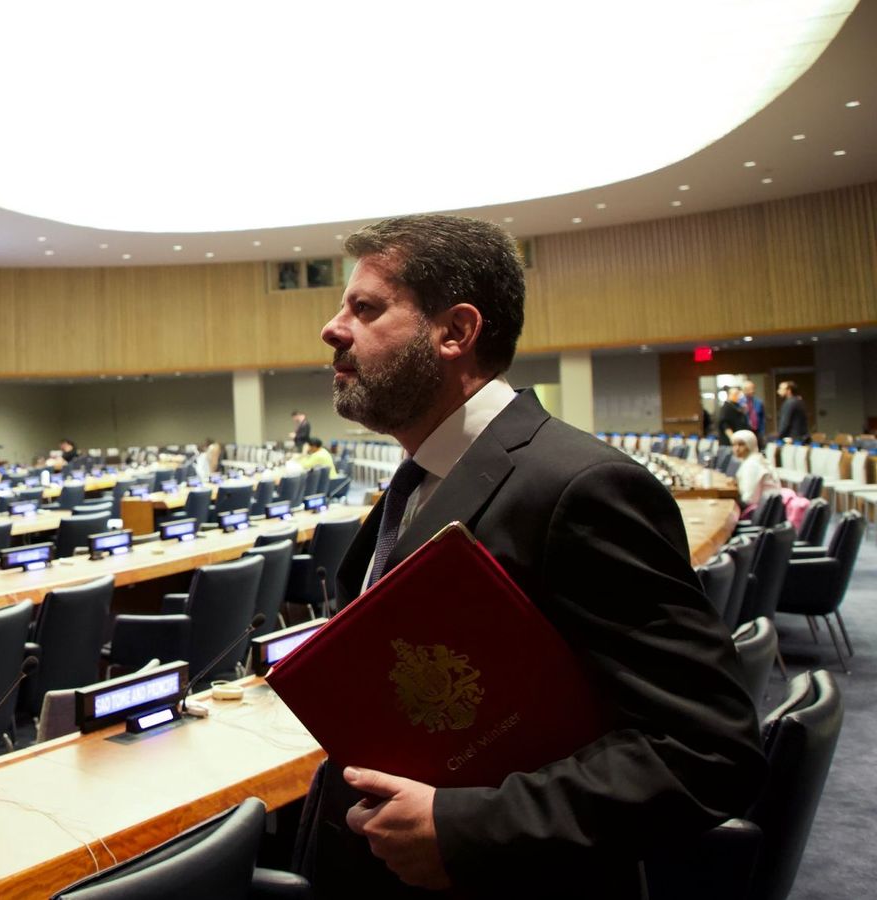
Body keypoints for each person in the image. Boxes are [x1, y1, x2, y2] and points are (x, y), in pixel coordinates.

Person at [303, 214, 762, 898]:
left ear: (455, 332)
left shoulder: (581, 486)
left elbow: (705, 751)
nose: (332, 328)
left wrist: (465, 828)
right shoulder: (419, 478)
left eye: (365, 308)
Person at [731, 431, 781, 514]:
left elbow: (749, 500)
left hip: (760, 512)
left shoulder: (752, 465)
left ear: (750, 445)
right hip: (765, 509)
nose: (736, 449)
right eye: (734, 445)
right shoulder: (754, 459)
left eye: (741, 444)